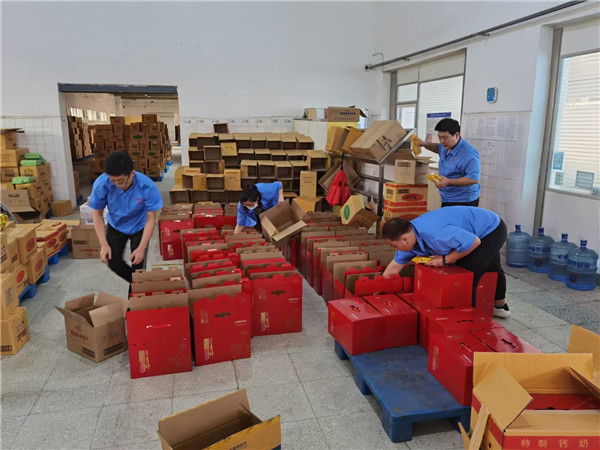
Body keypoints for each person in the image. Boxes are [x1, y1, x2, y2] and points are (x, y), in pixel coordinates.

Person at [381, 206, 510, 318]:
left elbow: (473, 242)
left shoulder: (436, 234)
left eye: (394, 246)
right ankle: (500, 306)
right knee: (490, 264)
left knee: (465, 276)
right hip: (472, 229)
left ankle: (467, 322)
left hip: (491, 230)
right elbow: (395, 266)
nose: (396, 249)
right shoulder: (410, 236)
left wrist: (445, 259)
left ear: (404, 239)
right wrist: (380, 289)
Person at [89, 152, 163, 288]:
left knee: (138, 264)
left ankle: (138, 292)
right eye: (113, 181)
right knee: (113, 261)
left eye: (121, 181)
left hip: (139, 225)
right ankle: (140, 286)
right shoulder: (102, 184)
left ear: (132, 174)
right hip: (116, 224)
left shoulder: (147, 186)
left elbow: (151, 218)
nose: (118, 185)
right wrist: (103, 244)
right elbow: (97, 215)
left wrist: (142, 247)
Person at [417, 118, 481, 207]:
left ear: (456, 135)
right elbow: (438, 147)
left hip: (464, 201)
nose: (442, 141)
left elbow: (473, 179)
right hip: (447, 198)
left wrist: (449, 181)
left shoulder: (469, 154)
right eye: (439, 138)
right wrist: (424, 144)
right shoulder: (446, 146)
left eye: (445, 138)